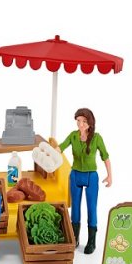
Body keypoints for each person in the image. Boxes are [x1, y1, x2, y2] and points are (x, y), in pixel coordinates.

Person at [57, 108, 112, 254]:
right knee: (75, 208)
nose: (80, 124)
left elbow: (105, 156)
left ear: (90, 123)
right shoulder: (73, 136)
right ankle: (75, 237)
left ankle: (91, 241)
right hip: (75, 175)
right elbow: (61, 147)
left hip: (91, 176)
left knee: (91, 208)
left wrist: (109, 175)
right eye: (78, 121)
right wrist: (50, 152)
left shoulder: (97, 138)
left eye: (84, 121)